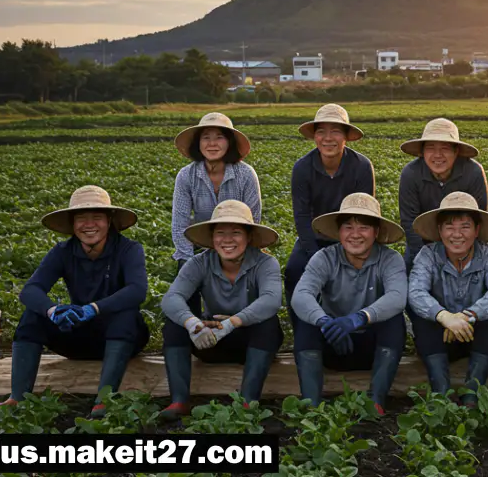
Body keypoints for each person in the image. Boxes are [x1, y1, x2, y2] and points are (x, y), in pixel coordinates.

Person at [0, 186, 149, 419]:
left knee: (126, 315)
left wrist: (94, 308)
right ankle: (17, 397)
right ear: (72, 223)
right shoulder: (62, 251)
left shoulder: (129, 249)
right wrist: (52, 311)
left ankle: (104, 401)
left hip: (123, 338)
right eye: (81, 218)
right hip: (79, 338)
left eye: (97, 217)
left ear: (109, 221)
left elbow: (137, 290)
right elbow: (30, 290)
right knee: (33, 315)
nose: (89, 224)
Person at [159, 200, 282, 421]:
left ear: (248, 237)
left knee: (269, 324)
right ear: (212, 238)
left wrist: (233, 322)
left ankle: (248, 401)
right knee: (174, 325)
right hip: (212, 339)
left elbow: (271, 300)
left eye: (236, 232)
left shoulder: (266, 263)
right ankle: (179, 400)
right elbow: (171, 298)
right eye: (220, 233)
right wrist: (193, 324)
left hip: (251, 340)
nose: (227, 240)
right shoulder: (199, 263)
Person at [291, 193, 407, 415]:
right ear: (339, 232)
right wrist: (324, 321)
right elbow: (301, 295)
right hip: (333, 342)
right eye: (348, 227)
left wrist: (359, 318)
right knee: (306, 324)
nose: (355, 235)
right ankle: (312, 406)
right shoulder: (324, 257)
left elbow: (397, 296)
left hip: (371, 347)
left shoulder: (390, 259)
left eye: (363, 227)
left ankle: (376, 401)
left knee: (394, 321)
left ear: (376, 232)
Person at [408, 191, 488, 405]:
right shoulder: (427, 255)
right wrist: (444, 316)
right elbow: (416, 292)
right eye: (449, 227)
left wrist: (467, 316)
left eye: (465, 226)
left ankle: (472, 389)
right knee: (423, 322)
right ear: (439, 230)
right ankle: (441, 391)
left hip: (474, 332)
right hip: (439, 335)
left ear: (477, 230)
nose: (457, 234)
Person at [285, 104, 375, 326]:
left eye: (335, 131)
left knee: (370, 274)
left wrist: (351, 250)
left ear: (346, 136)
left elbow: (364, 215)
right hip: (315, 239)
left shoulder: (362, 166)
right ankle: (302, 331)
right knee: (294, 270)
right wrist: (315, 255)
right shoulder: (302, 168)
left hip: (353, 239)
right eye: (321, 131)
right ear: (314, 137)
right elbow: (302, 217)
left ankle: (360, 324)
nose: (328, 138)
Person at [171, 112, 261, 271]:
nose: (212, 143)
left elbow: (253, 222)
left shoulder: (246, 175)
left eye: (219, 137)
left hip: (237, 247)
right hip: (200, 245)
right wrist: (190, 261)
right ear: (198, 143)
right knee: (185, 271)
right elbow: (179, 225)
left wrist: (235, 256)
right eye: (206, 137)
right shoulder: (186, 175)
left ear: (229, 142)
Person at [399, 118, 488, 272]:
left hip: (463, 241)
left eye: (445, 148)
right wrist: (425, 260)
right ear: (422, 152)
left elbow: (479, 216)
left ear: (456, 151)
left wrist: (463, 256)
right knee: (411, 281)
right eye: (431, 148)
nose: (437, 155)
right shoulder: (411, 173)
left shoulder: (473, 172)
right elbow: (409, 222)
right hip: (423, 243)